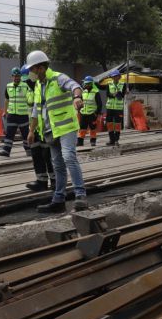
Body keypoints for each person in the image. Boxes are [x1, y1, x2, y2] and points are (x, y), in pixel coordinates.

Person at [25, 50, 88, 212]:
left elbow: (75, 86)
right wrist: (31, 131)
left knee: (68, 157)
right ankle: (59, 200)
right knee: (58, 165)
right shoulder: (38, 85)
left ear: (40, 68)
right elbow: (35, 111)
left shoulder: (58, 78)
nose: (30, 73)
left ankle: (80, 195)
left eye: (31, 69)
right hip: (50, 131)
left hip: (66, 127)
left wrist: (77, 97)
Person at [22, 64, 56, 192]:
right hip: (34, 128)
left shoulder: (43, 87)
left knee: (48, 155)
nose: (27, 82)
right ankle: (41, 181)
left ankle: (55, 180)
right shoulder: (31, 89)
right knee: (36, 155)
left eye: (28, 79)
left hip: (45, 128)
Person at [0, 67, 31, 157]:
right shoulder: (8, 86)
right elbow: (6, 100)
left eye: (18, 76)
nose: (17, 78)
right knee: (9, 133)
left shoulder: (25, 86)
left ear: (20, 76)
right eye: (15, 76)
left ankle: (29, 151)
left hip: (23, 114)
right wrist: (5, 111)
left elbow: (30, 99)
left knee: (25, 133)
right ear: (12, 76)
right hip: (12, 114)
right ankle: (6, 151)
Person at [77, 75, 102, 146]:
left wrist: (96, 113)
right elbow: (81, 102)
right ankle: (80, 142)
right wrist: (79, 111)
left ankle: (93, 141)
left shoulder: (96, 92)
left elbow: (99, 104)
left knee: (93, 128)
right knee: (82, 128)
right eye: (86, 83)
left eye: (88, 83)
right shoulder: (83, 92)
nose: (86, 85)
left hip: (92, 114)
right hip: (83, 113)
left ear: (91, 84)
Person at [105, 70, 128, 146]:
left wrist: (117, 93)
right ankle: (111, 140)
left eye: (116, 76)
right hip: (110, 107)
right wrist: (115, 95)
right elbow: (108, 94)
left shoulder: (123, 84)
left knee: (118, 125)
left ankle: (116, 140)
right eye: (113, 76)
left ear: (119, 77)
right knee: (109, 124)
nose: (115, 78)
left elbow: (122, 95)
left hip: (118, 108)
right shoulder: (109, 84)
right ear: (112, 77)